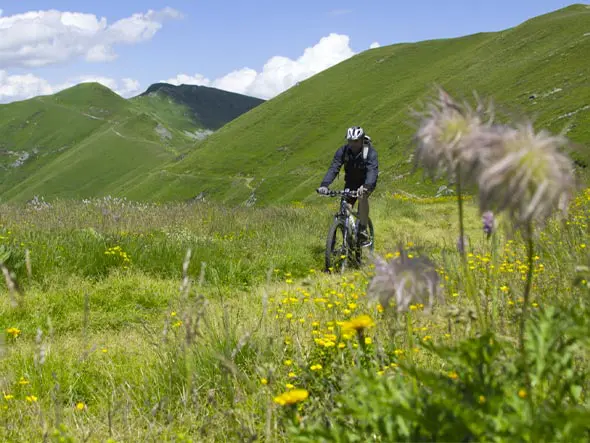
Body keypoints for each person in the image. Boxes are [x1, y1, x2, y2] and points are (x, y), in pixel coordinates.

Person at [317, 126, 379, 246]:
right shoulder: (343, 151)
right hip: (351, 182)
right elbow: (334, 168)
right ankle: (347, 237)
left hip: (366, 182)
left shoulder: (370, 153)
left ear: (361, 140)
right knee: (345, 207)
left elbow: (372, 171)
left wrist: (366, 186)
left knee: (362, 197)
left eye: (355, 141)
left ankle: (362, 229)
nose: (352, 144)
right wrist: (324, 185)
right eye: (350, 140)